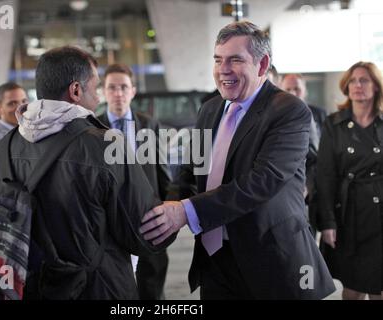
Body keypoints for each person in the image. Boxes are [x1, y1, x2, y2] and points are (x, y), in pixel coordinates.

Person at [139, 21, 335, 299]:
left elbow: (261, 182)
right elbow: (190, 171)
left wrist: (185, 211)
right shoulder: (210, 109)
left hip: (271, 261)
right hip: (215, 259)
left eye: (235, 60)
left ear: (262, 64)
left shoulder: (289, 111)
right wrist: (162, 210)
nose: (223, 70)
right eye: (218, 60)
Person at [0, 46, 174, 299]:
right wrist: (177, 214)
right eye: (95, 89)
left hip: (26, 287)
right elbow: (143, 233)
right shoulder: (106, 144)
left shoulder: (3, 148)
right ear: (75, 91)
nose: (97, 99)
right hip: (96, 288)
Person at [97, 63, 171, 300]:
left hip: (146, 218)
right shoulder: (93, 127)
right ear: (103, 91)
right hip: (108, 223)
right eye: (112, 88)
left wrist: (166, 210)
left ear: (133, 90)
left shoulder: (149, 125)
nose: (118, 93)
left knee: (152, 285)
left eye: (123, 87)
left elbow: (162, 173)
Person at [317, 61, 383, 300]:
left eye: (364, 80)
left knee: (379, 287)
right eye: (353, 81)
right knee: (352, 288)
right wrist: (327, 222)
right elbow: (325, 176)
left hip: (380, 214)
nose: (357, 85)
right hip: (348, 213)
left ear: (376, 86)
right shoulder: (334, 123)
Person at [280, 73, 325, 234]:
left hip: (309, 187)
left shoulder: (318, 114)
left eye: (297, 89)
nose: (292, 93)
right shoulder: (274, 115)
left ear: (304, 90)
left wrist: (308, 186)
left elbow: (320, 156)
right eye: (288, 89)